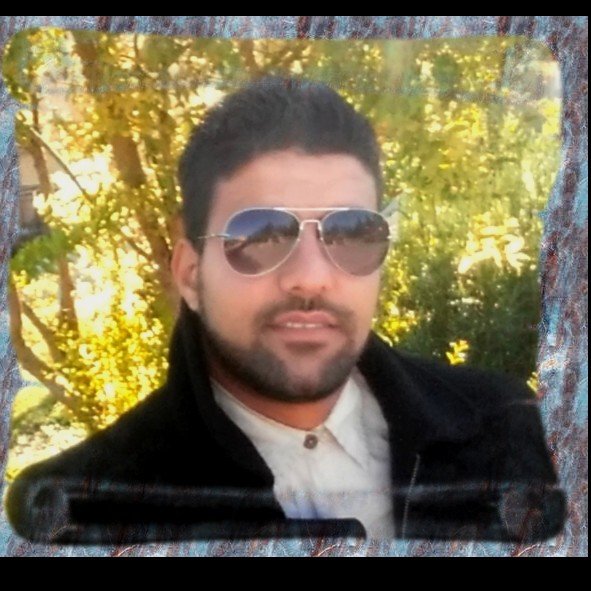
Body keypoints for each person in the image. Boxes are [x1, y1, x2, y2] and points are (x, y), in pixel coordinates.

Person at [6, 77, 564, 544]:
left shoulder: (513, 432)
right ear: (191, 273)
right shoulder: (82, 510)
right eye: (262, 235)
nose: (311, 277)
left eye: (352, 233)